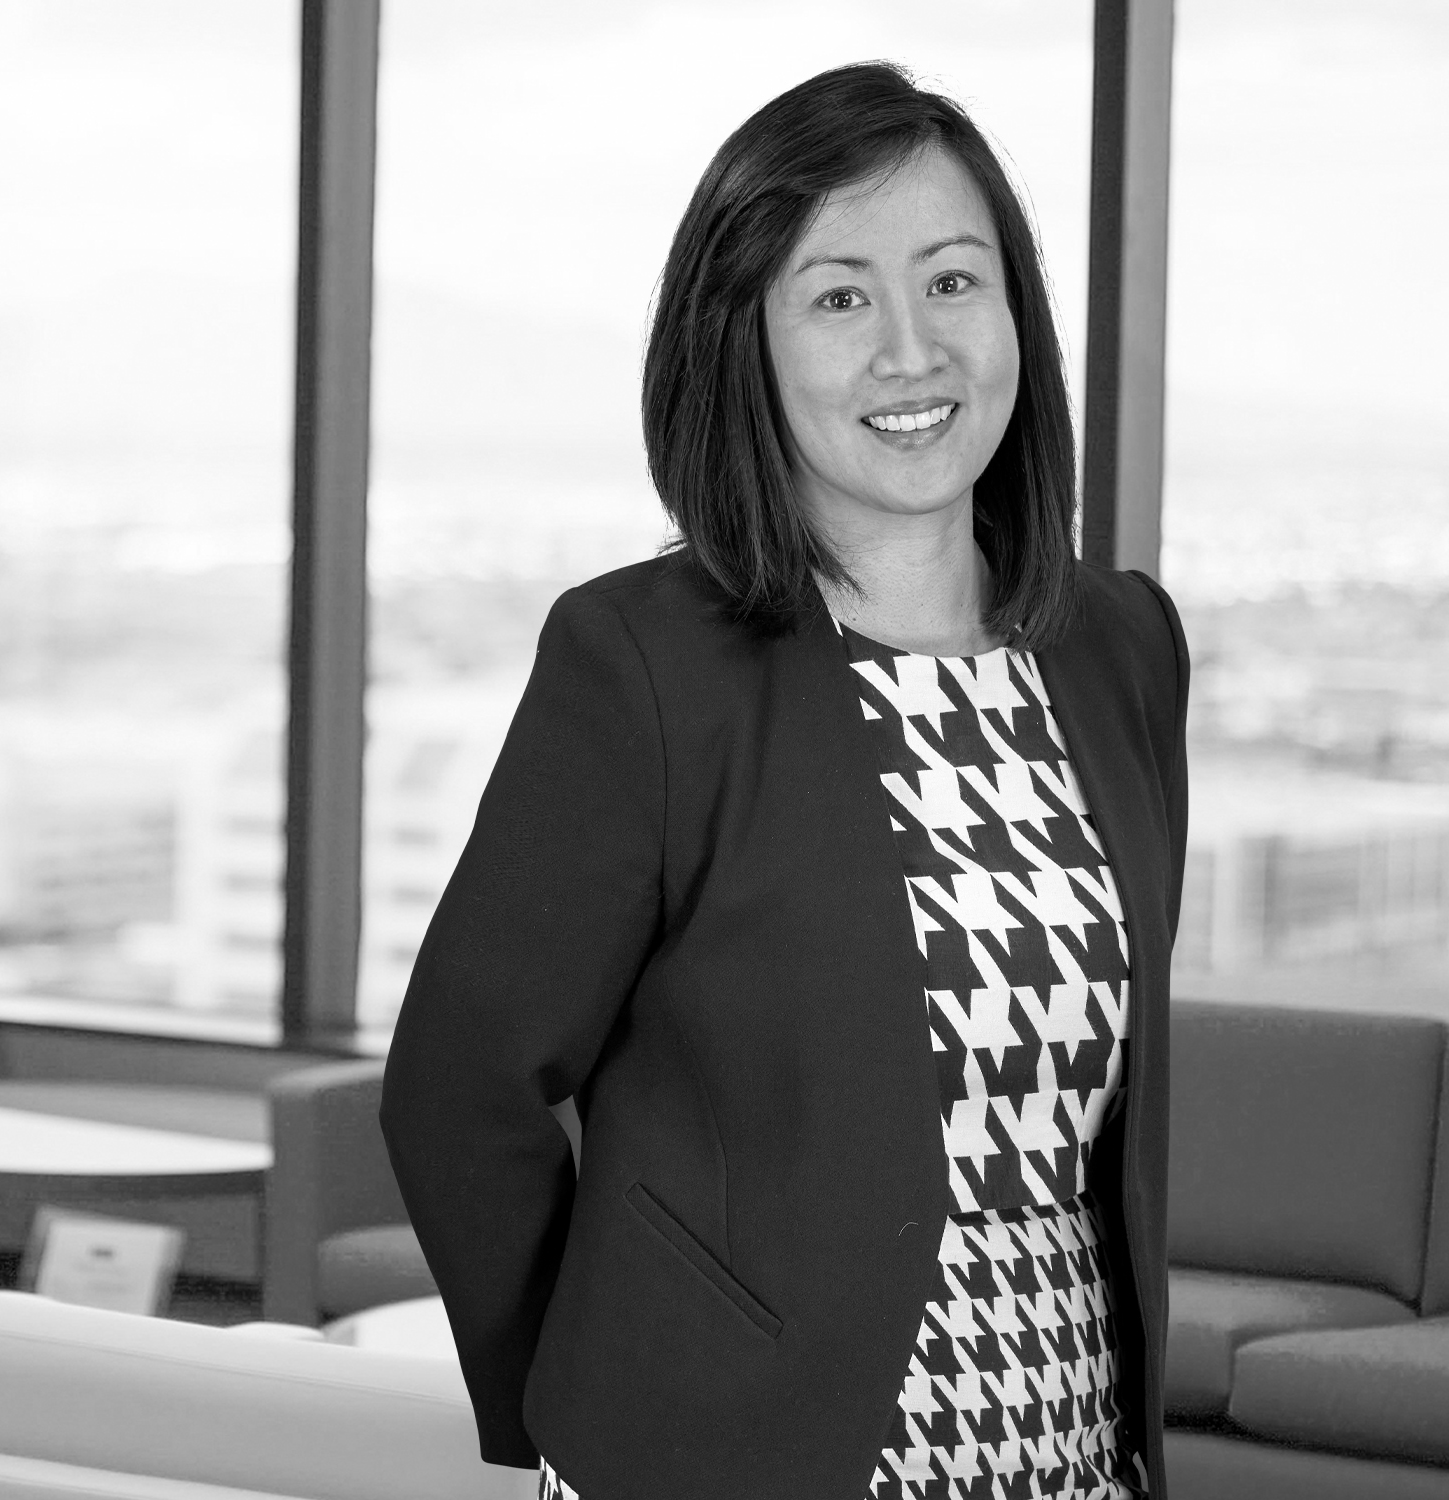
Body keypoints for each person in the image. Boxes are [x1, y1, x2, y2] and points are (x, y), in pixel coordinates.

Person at [377, 61, 1188, 1500]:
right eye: (838, 298)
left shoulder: (1121, 647)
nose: (911, 352)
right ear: (742, 342)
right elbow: (459, 1086)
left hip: (1066, 1445)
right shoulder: (646, 664)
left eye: (953, 282)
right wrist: (582, 1407)